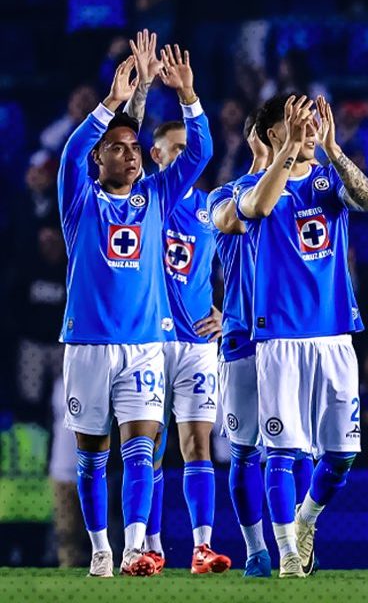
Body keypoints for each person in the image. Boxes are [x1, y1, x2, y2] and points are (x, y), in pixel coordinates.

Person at [58, 43, 211, 578]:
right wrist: (111, 103)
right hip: (87, 344)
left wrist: (188, 96)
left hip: (144, 343)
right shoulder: (80, 203)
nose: (131, 154)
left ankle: (133, 548)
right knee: (93, 454)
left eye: (135, 148)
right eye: (118, 148)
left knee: (141, 447)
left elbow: (197, 156)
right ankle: (99, 546)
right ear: (99, 159)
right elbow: (70, 156)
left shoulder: (157, 198)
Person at [238, 93, 368, 578]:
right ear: (274, 132)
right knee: (281, 451)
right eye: (298, 121)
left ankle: (305, 522)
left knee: (341, 454)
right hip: (279, 338)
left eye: (314, 120)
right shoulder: (256, 185)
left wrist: (336, 151)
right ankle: (287, 556)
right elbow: (257, 208)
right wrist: (287, 151)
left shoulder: (327, 179)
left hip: (336, 334)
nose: (310, 127)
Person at [120, 31, 230, 574]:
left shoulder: (211, 208)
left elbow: (241, 264)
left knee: (197, 444)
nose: (185, 157)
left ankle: (202, 545)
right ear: (154, 155)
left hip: (197, 342)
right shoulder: (145, 199)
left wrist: (229, 311)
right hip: (148, 337)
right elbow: (130, 136)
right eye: (175, 150)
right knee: (150, 443)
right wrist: (144, 88)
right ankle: (148, 546)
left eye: (187, 151)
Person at [209, 114, 273, 577]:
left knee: (297, 448)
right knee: (245, 449)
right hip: (241, 338)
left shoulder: (307, 191)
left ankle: (296, 543)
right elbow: (234, 219)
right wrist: (262, 165)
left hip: (290, 337)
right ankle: (256, 550)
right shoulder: (225, 194)